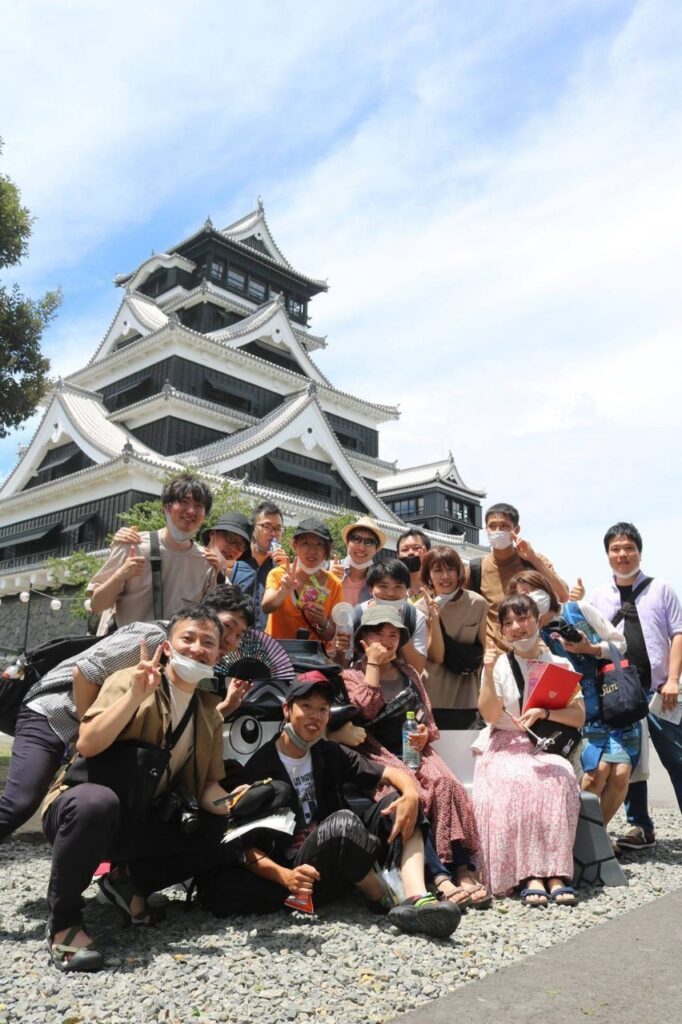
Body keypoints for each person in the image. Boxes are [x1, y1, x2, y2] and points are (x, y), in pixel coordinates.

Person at [41, 606, 244, 972]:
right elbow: (87, 743)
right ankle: (64, 921)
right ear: (167, 647)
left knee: (224, 830)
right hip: (82, 809)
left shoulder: (209, 713)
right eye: (188, 638)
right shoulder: (130, 680)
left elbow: (209, 787)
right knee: (96, 803)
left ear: (218, 655)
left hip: (140, 817)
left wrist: (238, 803)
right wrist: (134, 696)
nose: (197, 648)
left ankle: (127, 882)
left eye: (208, 643)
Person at [0, 587, 252, 841]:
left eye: (239, 635)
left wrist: (226, 707)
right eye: (228, 627)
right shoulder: (154, 638)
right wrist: (89, 729)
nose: (230, 640)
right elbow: (84, 673)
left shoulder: (201, 664)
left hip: (95, 732)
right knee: (20, 802)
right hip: (55, 712)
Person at [232, 672, 461, 937]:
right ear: (286, 709)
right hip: (304, 872)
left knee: (401, 802)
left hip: (345, 859)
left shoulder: (328, 752)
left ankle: (417, 898)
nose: (315, 716)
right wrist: (285, 877)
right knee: (342, 823)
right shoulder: (261, 767)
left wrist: (410, 793)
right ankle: (386, 899)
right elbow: (244, 848)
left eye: (323, 709)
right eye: (306, 706)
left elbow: (391, 773)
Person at [341, 606, 489, 908]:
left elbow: (427, 718)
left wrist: (424, 734)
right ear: (363, 638)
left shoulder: (409, 673)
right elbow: (366, 710)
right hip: (377, 753)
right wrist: (373, 665)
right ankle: (437, 876)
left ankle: (463, 868)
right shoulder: (351, 676)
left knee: (447, 784)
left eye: (393, 635)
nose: (387, 641)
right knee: (413, 795)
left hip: (413, 748)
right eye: (378, 634)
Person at [474, 594, 584, 904]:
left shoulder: (560, 664)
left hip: (544, 745)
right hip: (505, 745)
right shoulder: (497, 665)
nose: (516, 627)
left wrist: (544, 713)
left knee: (560, 776)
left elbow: (578, 716)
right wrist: (488, 672)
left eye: (523, 619)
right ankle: (530, 874)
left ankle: (556, 872)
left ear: (538, 620)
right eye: (508, 622)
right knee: (520, 781)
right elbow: (490, 716)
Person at [507, 570, 633, 831]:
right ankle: (580, 840)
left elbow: (620, 645)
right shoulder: (531, 634)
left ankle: (596, 839)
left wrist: (590, 649)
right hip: (575, 712)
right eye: (523, 595)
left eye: (534, 589)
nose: (531, 597)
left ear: (547, 589)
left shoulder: (577, 610)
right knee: (594, 775)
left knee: (621, 774)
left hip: (611, 703)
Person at [590, 523, 682, 850]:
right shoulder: (598, 596)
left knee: (677, 757)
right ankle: (640, 826)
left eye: (628, 547)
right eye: (615, 549)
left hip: (659, 690)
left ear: (639, 552)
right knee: (630, 762)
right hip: (620, 693)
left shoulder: (661, 589)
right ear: (607, 555)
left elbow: (678, 634)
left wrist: (673, 680)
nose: (622, 554)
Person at [88, 475, 217, 627]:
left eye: (199, 506)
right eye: (184, 502)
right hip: (131, 641)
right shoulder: (133, 545)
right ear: (166, 506)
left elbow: (208, 618)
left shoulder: (206, 561)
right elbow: (96, 606)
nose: (191, 511)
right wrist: (120, 576)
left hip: (177, 643)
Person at [466, 502, 569, 652]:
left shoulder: (534, 560)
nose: (498, 531)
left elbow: (563, 596)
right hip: (495, 655)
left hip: (535, 652)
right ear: (486, 529)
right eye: (492, 526)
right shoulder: (476, 567)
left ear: (516, 529)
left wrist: (533, 559)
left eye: (504, 526)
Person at [415, 546, 488, 712]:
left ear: (459, 572)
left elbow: (484, 651)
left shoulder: (478, 603)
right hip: (432, 698)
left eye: (450, 569)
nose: (445, 576)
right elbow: (437, 656)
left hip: (468, 698)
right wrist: (434, 618)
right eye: (437, 570)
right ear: (428, 575)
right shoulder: (420, 608)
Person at [262, 519, 342, 642]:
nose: (312, 551)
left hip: (311, 653)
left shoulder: (335, 584)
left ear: (327, 549)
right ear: (294, 545)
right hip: (276, 651)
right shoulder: (278, 574)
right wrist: (282, 592)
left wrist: (322, 622)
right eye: (305, 543)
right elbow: (266, 607)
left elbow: (330, 636)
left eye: (319, 544)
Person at [352, 560, 427, 673]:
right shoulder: (357, 614)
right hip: (362, 678)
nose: (391, 593)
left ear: (407, 590)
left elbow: (418, 668)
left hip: (401, 682)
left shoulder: (415, 617)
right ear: (371, 589)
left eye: (398, 587)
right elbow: (343, 661)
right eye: (383, 586)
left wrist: (400, 631)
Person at [241, 500, 290, 629]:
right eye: (267, 527)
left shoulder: (283, 570)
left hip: (270, 640)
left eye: (278, 529)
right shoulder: (236, 563)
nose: (273, 533)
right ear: (253, 529)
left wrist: (285, 570)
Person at [329, 515, 386, 606]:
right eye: (356, 539)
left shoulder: (379, 581)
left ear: (376, 549)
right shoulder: (326, 569)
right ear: (347, 543)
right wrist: (326, 582)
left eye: (369, 542)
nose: (361, 547)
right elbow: (310, 604)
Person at [202, 512, 256, 592]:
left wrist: (219, 576)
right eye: (230, 538)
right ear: (213, 534)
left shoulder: (227, 585)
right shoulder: (189, 558)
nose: (233, 548)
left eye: (240, 545)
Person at [397, 529, 431, 601]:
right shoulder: (392, 586)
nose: (410, 552)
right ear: (398, 555)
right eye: (405, 549)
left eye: (416, 548)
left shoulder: (438, 584)